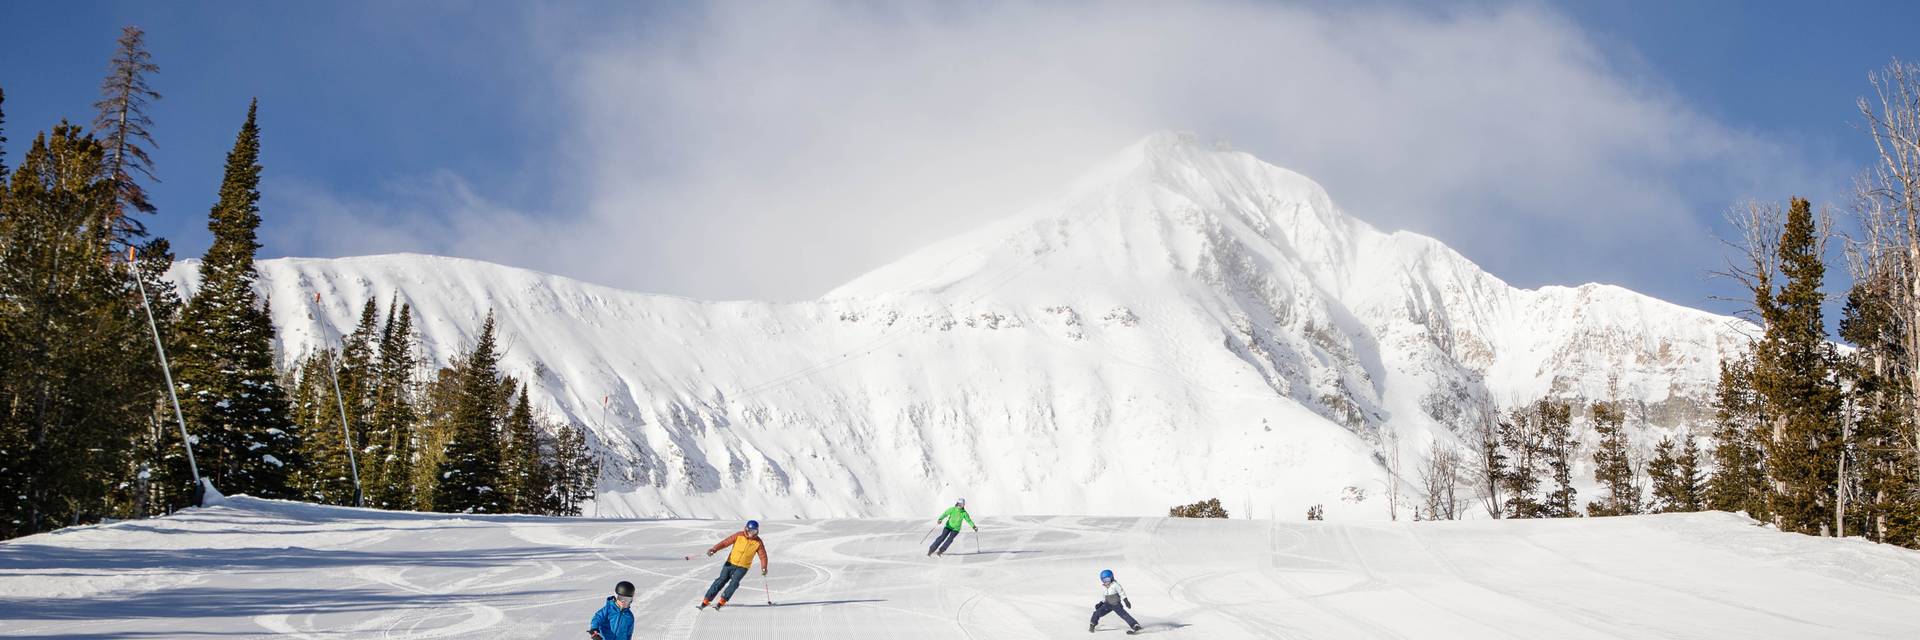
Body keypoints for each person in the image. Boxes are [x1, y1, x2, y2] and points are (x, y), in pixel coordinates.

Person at [698, 520, 769, 610]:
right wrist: (714, 549)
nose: (752, 533)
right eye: (751, 531)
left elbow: (763, 556)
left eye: (754, 531)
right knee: (721, 580)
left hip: (743, 567)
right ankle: (706, 600)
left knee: (734, 583)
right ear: (746, 529)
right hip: (730, 562)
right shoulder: (739, 535)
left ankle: (722, 600)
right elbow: (725, 543)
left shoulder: (758, 542)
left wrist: (764, 568)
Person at [1090, 569, 1142, 633]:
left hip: (1116, 605)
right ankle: (1092, 624)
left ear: (1112, 578)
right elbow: (1104, 597)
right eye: (1104, 580)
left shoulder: (1115, 585)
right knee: (1097, 613)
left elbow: (1121, 592)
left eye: (1108, 579)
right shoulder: (1104, 587)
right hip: (1107, 604)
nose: (1106, 582)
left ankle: (1135, 625)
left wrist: (1126, 600)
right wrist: (1101, 603)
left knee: (1124, 615)